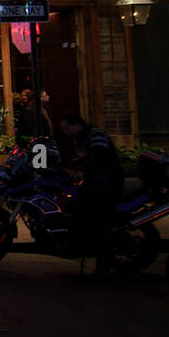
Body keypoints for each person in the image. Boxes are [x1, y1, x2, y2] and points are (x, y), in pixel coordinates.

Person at [61, 112, 123, 275]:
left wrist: (82, 167)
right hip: (95, 181)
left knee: (97, 219)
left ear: (77, 125)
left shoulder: (95, 134)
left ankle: (103, 264)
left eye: (67, 128)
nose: (66, 132)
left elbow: (99, 158)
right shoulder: (80, 139)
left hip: (107, 182)